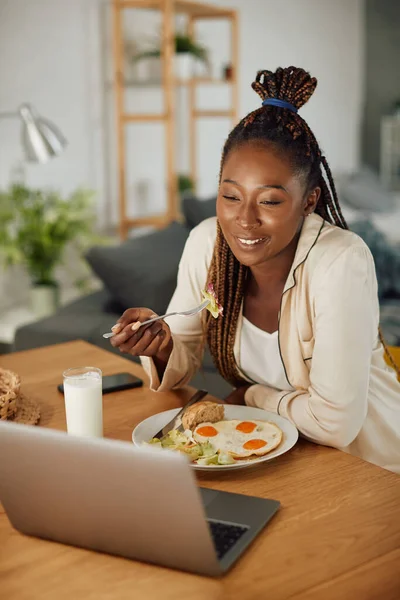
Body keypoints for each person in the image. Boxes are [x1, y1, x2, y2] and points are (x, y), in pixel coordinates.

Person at [110, 66, 400, 474]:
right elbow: (183, 354)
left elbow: (336, 424)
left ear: (309, 200)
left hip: (369, 467)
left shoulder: (341, 262)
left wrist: (252, 396)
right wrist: (161, 347)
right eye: (230, 195)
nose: (244, 220)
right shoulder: (206, 244)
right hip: (282, 456)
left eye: (269, 201)